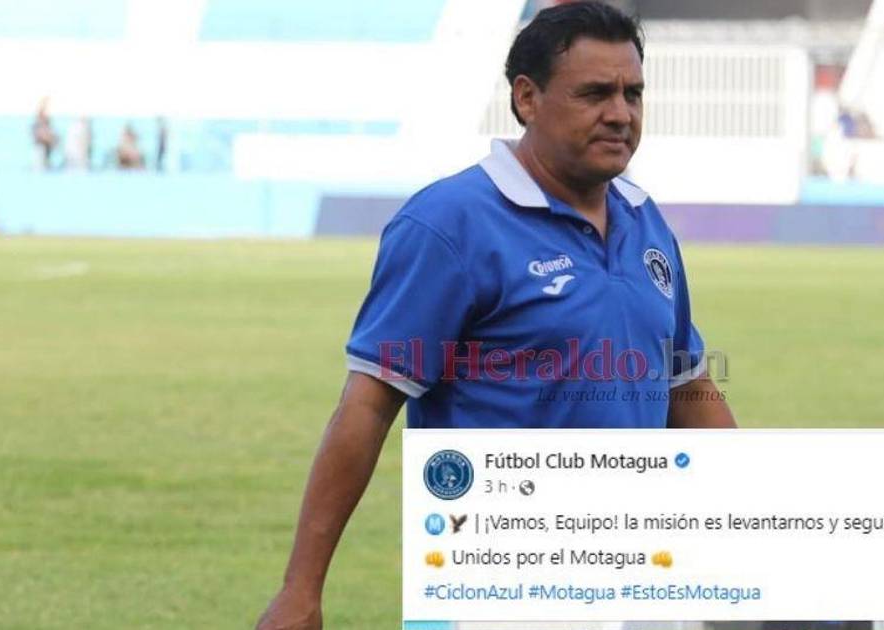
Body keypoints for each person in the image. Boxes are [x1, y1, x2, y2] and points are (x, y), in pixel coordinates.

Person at [256, 3, 735, 628]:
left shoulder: (647, 221)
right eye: (594, 93)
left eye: (633, 93)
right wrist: (301, 589)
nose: (621, 113)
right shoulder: (449, 224)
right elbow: (368, 406)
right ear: (527, 98)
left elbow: (686, 386)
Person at [31, 98, 58, 170]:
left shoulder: (46, 125)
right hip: (40, 150)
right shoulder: (38, 125)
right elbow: (41, 136)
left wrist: (54, 140)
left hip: (46, 151)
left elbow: (51, 138)